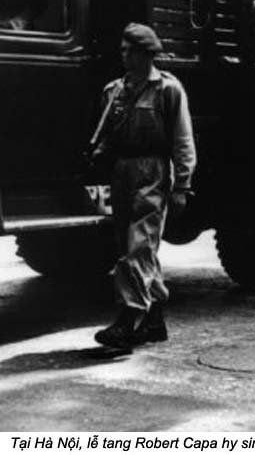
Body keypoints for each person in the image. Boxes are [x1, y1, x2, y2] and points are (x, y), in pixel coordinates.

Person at [90, 23, 196, 350]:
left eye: (129, 50)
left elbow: (183, 141)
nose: (123, 55)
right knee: (130, 245)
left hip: (153, 170)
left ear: (145, 54)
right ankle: (155, 319)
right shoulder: (114, 91)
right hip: (122, 171)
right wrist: (99, 154)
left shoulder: (168, 90)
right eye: (122, 50)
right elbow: (107, 133)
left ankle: (128, 320)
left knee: (140, 244)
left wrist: (182, 186)